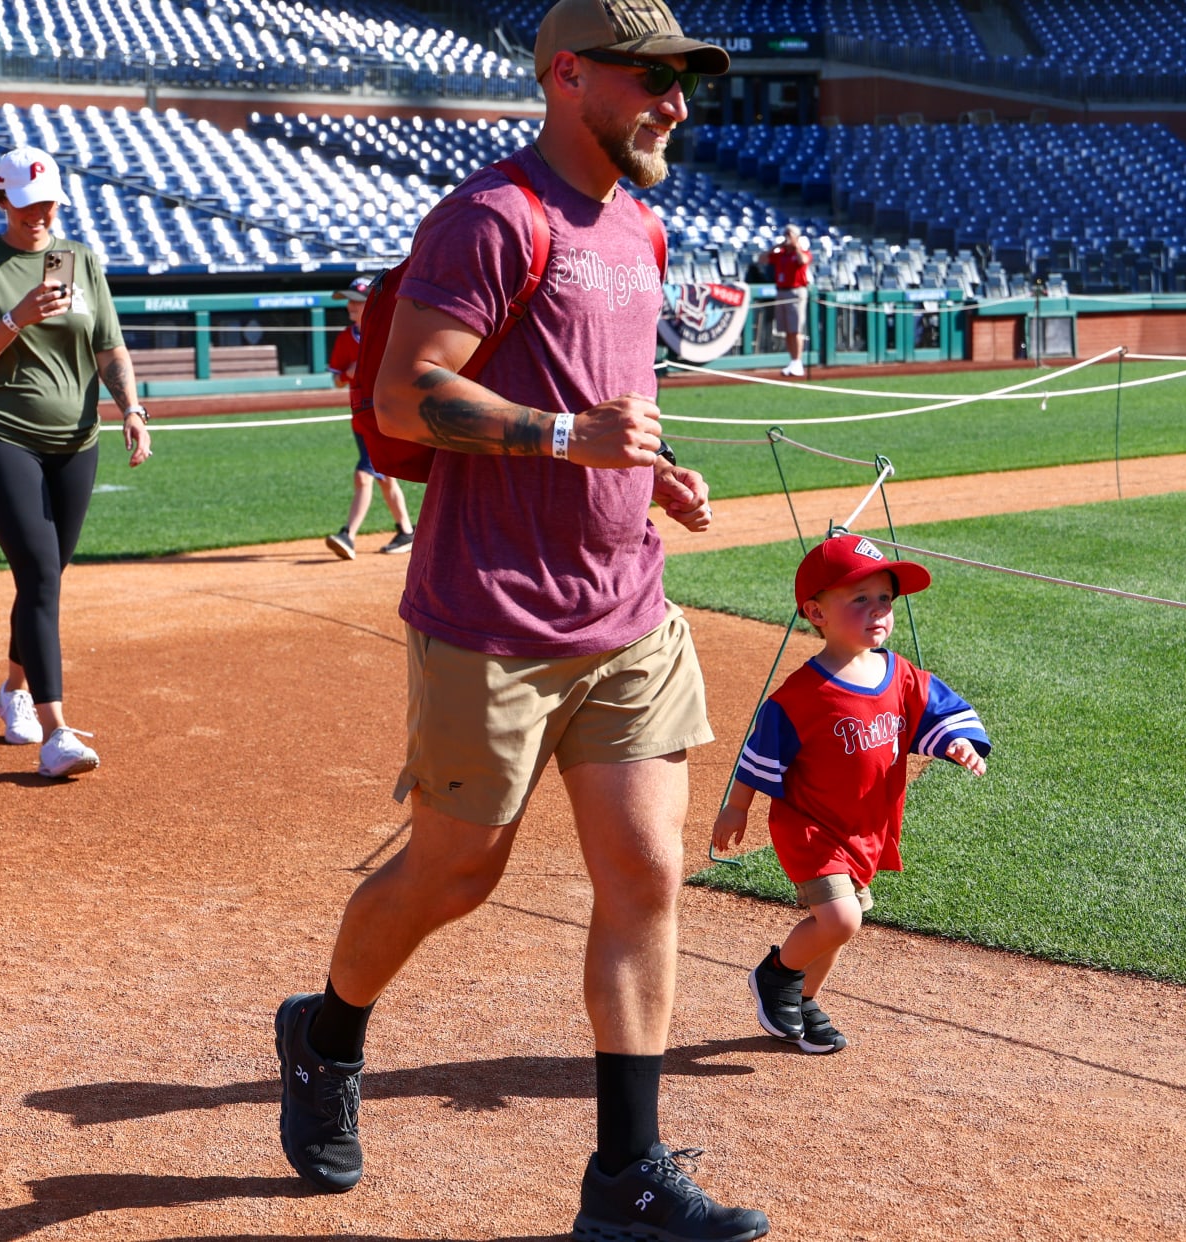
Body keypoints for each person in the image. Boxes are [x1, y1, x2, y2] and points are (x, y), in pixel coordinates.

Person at [272, 5, 768, 1241]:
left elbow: (609, 399)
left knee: (649, 872)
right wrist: (563, 441)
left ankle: (627, 1177)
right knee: (458, 873)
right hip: (491, 616)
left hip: (628, 607)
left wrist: (650, 470)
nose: (675, 104)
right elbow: (409, 390)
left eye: (683, 84)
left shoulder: (642, 225)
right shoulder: (494, 216)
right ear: (567, 74)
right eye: (652, 80)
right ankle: (325, 1033)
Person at [712, 534, 990, 1055]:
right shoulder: (801, 694)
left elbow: (937, 709)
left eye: (884, 598)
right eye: (858, 599)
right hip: (811, 825)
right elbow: (760, 755)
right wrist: (737, 806)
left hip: (864, 828)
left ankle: (805, 999)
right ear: (816, 612)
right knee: (841, 918)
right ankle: (776, 976)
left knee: (840, 926)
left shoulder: (898, 672)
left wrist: (956, 742)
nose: (877, 611)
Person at [0, 145, 151, 779]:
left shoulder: (79, 260)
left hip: (77, 444)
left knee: (46, 577)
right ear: (2, 200)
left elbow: (108, 345)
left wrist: (133, 409)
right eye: (27, 205)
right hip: (2, 435)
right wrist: (16, 317)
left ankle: (13, 689)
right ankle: (56, 732)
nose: (39, 215)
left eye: (48, 204)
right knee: (37, 571)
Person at [323, 275, 415, 558]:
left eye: (356, 302)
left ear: (370, 304)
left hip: (384, 417)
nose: (350, 306)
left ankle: (348, 535)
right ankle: (407, 532)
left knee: (364, 476)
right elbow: (337, 379)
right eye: (349, 302)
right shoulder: (344, 338)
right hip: (359, 418)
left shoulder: (387, 334)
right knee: (384, 478)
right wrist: (348, 373)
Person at [765, 223, 811, 378]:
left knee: (795, 329)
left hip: (795, 291)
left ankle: (798, 362)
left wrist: (796, 244)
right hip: (781, 291)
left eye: (789, 235)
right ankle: (793, 361)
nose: (787, 238)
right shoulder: (781, 253)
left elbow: (803, 260)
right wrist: (778, 245)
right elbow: (763, 258)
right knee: (786, 330)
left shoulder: (801, 251)